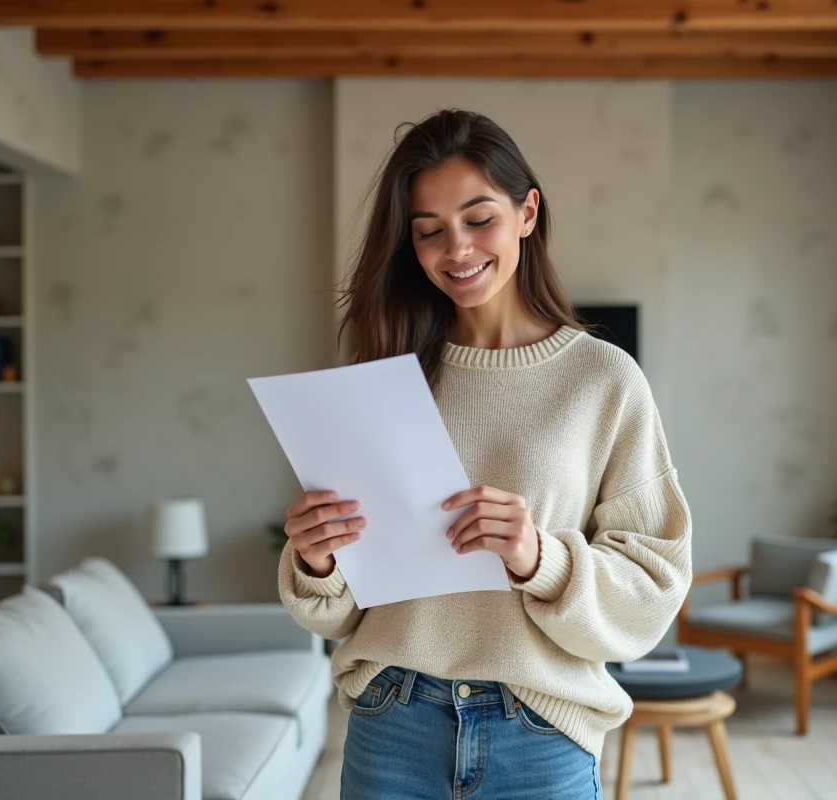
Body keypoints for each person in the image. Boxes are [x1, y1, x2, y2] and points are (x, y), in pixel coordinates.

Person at [277, 109, 692, 799]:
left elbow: (654, 589)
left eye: (479, 218)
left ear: (528, 212)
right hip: (393, 725)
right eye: (429, 231)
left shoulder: (604, 380)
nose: (456, 249)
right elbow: (334, 613)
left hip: (541, 734)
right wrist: (318, 560)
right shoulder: (383, 377)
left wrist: (538, 557)